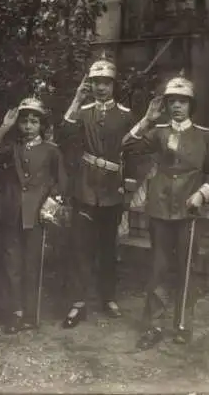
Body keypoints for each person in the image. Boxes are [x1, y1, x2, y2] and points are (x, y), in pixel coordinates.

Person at [122, 73, 209, 350]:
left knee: (186, 269)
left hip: (189, 211)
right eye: (172, 101)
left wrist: (201, 195)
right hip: (160, 209)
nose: (177, 106)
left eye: (182, 101)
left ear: (191, 105)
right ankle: (152, 325)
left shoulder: (204, 136)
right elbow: (127, 147)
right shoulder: (159, 132)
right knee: (158, 268)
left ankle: (182, 324)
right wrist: (147, 119)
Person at [60, 53, 136, 328]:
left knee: (108, 246)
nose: (101, 87)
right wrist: (77, 99)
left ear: (114, 85)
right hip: (85, 186)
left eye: (105, 82)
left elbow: (135, 153)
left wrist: (129, 186)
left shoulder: (126, 115)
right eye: (96, 82)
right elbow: (64, 136)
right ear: (89, 85)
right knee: (81, 246)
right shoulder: (81, 112)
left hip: (112, 188)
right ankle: (77, 303)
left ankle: (108, 297)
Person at [0, 97, 68, 334]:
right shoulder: (11, 147)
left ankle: (31, 314)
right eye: (24, 121)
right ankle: (16, 312)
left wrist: (49, 207)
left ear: (42, 125)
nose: (29, 126)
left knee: (33, 264)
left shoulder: (51, 151)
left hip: (36, 214)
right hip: (11, 212)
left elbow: (61, 182)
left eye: (34, 121)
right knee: (12, 263)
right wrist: (5, 126)